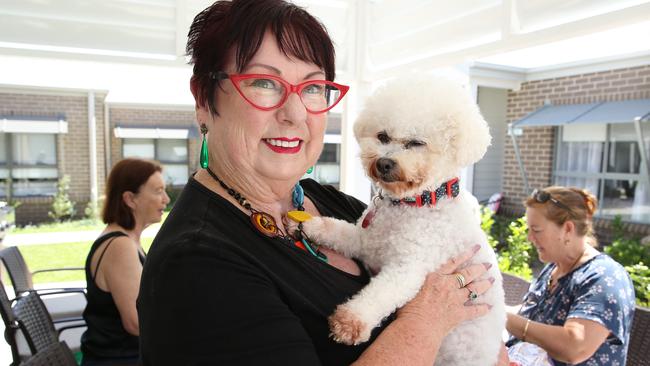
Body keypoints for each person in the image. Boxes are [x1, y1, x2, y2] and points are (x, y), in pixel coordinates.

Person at [137, 1, 505, 365]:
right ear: (204, 98)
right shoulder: (196, 263)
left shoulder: (328, 201)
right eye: (264, 82)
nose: (295, 113)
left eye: (313, 88)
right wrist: (427, 321)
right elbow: (432, 303)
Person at [506, 186, 636, 365]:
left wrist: (504, 319)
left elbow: (574, 347)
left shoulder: (604, 277)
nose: (529, 238)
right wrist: (489, 308)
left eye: (536, 230)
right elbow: (531, 313)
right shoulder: (554, 267)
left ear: (567, 229)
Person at [81, 158, 170, 366]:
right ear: (130, 199)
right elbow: (136, 323)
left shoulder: (127, 241)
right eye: (158, 191)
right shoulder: (120, 247)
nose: (166, 199)